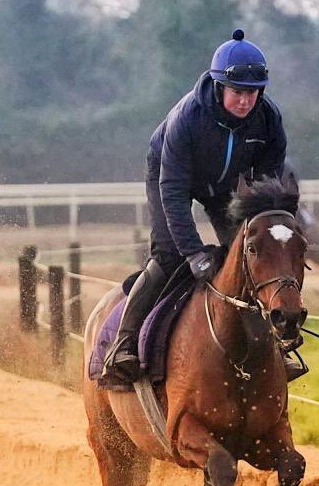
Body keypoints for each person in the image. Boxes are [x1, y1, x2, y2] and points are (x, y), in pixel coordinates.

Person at [101, 29, 304, 382]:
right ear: (219, 86)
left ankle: (276, 348)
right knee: (168, 255)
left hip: (227, 187)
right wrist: (194, 253)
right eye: (238, 92)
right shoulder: (188, 119)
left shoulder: (269, 120)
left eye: (253, 93)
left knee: (247, 256)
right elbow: (173, 192)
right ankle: (123, 344)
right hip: (173, 177)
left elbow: (268, 192)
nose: (245, 101)